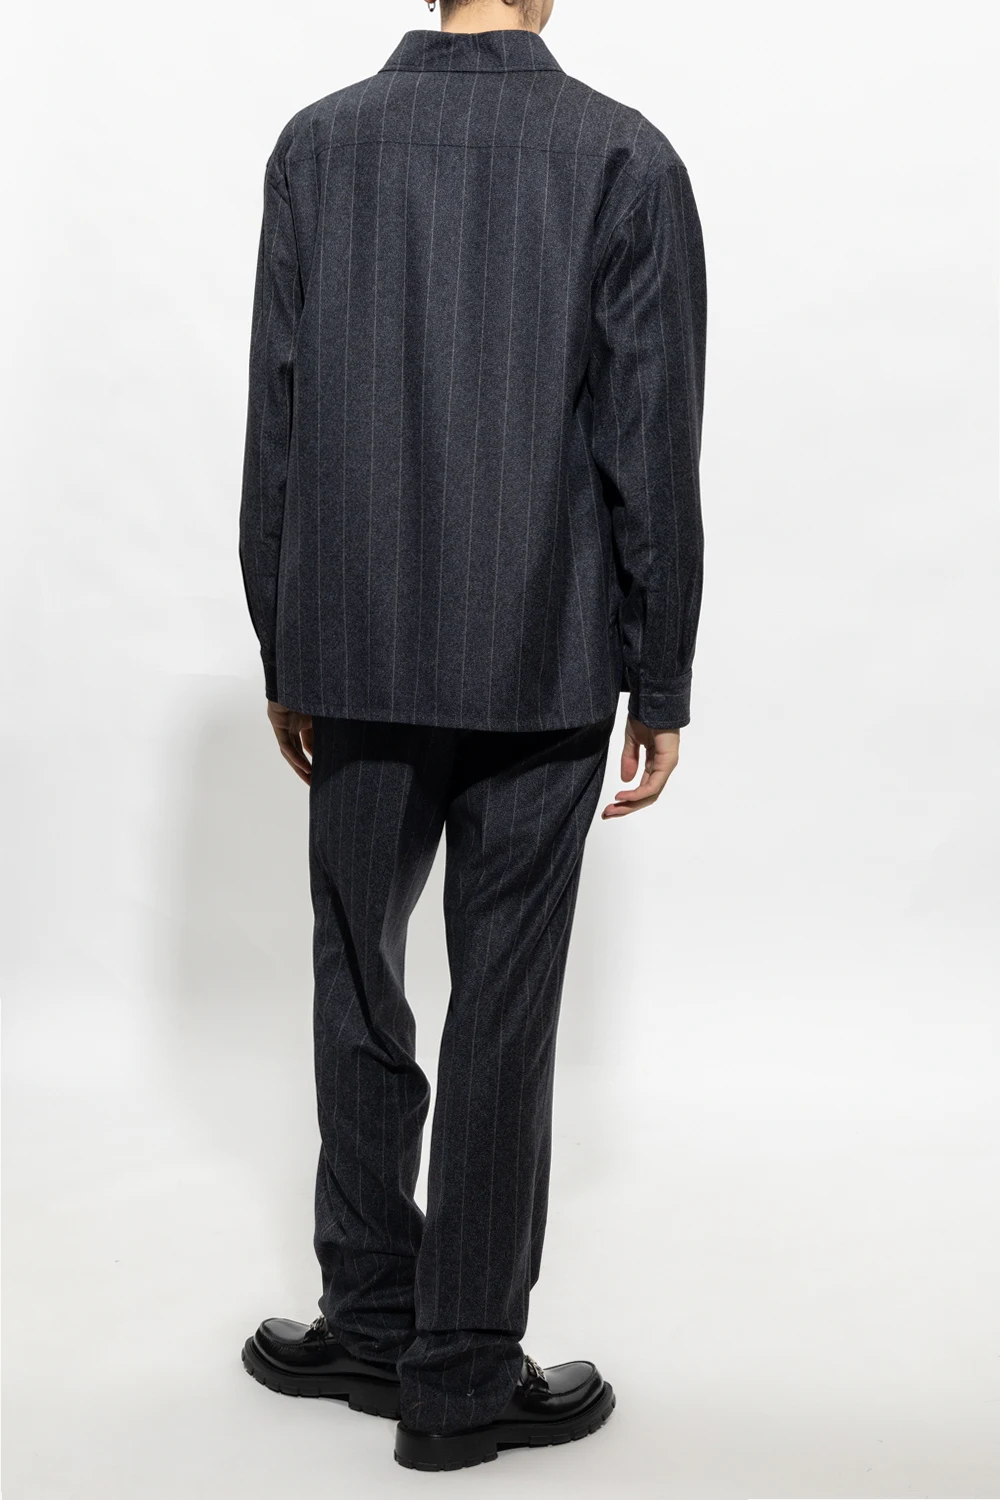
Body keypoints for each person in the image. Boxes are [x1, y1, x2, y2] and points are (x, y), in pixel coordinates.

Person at [237, 0, 707, 1473]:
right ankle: (459, 1375)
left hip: (356, 646)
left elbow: (278, 413)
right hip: (540, 655)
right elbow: (650, 434)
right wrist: (661, 671)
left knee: (358, 979)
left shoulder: (319, 146)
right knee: (501, 1009)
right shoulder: (623, 157)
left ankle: (372, 1316)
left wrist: (285, 637)